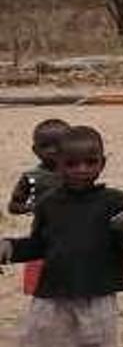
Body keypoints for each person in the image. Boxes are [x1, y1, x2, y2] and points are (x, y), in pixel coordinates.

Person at [0, 125, 123, 347]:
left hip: (98, 293)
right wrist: (9, 248)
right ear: (57, 165)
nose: (81, 169)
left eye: (90, 162)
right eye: (71, 164)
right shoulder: (48, 204)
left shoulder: (116, 201)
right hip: (53, 294)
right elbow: (40, 245)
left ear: (102, 164)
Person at [8, 118, 70, 296]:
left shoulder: (77, 172)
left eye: (58, 145)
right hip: (43, 233)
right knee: (43, 281)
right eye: (45, 146)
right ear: (35, 150)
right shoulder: (32, 177)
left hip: (75, 230)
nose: (52, 151)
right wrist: (31, 206)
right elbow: (13, 206)